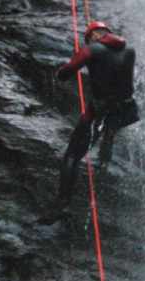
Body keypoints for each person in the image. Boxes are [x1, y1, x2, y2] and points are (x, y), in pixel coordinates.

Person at [41, 20, 139, 222]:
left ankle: (62, 204)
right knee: (111, 123)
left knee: (72, 156)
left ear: (94, 35)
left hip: (101, 110)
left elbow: (67, 72)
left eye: (88, 38)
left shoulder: (92, 49)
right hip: (126, 109)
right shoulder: (130, 50)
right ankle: (106, 149)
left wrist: (60, 73)